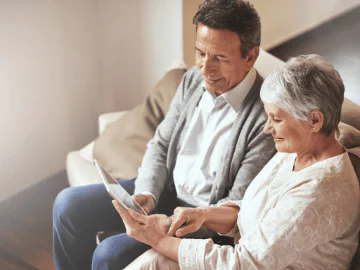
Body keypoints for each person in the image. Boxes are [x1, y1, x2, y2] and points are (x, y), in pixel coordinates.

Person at [52, 0, 276, 269]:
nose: (206, 68)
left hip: (201, 220)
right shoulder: (193, 81)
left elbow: (235, 208)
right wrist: (147, 193)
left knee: (109, 254)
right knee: (66, 205)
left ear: (250, 56)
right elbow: (160, 144)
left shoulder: (266, 119)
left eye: (220, 58)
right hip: (165, 191)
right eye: (200, 53)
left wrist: (171, 223)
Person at [117, 54, 360, 270]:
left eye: (276, 118)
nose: (267, 128)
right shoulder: (296, 152)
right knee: (153, 261)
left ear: (314, 121)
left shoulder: (319, 192)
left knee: (154, 259)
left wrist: (157, 238)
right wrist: (202, 214)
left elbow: (242, 263)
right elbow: (253, 210)